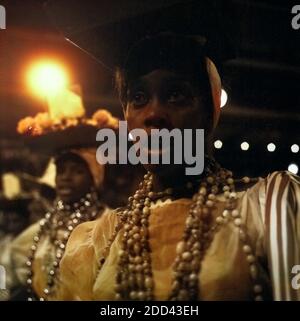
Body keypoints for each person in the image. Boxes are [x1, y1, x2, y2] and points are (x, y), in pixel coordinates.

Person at [57, 34, 300, 301]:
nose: (153, 114)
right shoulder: (97, 241)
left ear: (209, 114)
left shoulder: (267, 208)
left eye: (175, 95)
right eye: (138, 97)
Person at [9, 148, 109, 301]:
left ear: (94, 179)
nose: (66, 178)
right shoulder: (46, 225)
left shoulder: (107, 223)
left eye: (78, 172)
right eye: (61, 171)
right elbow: (14, 263)